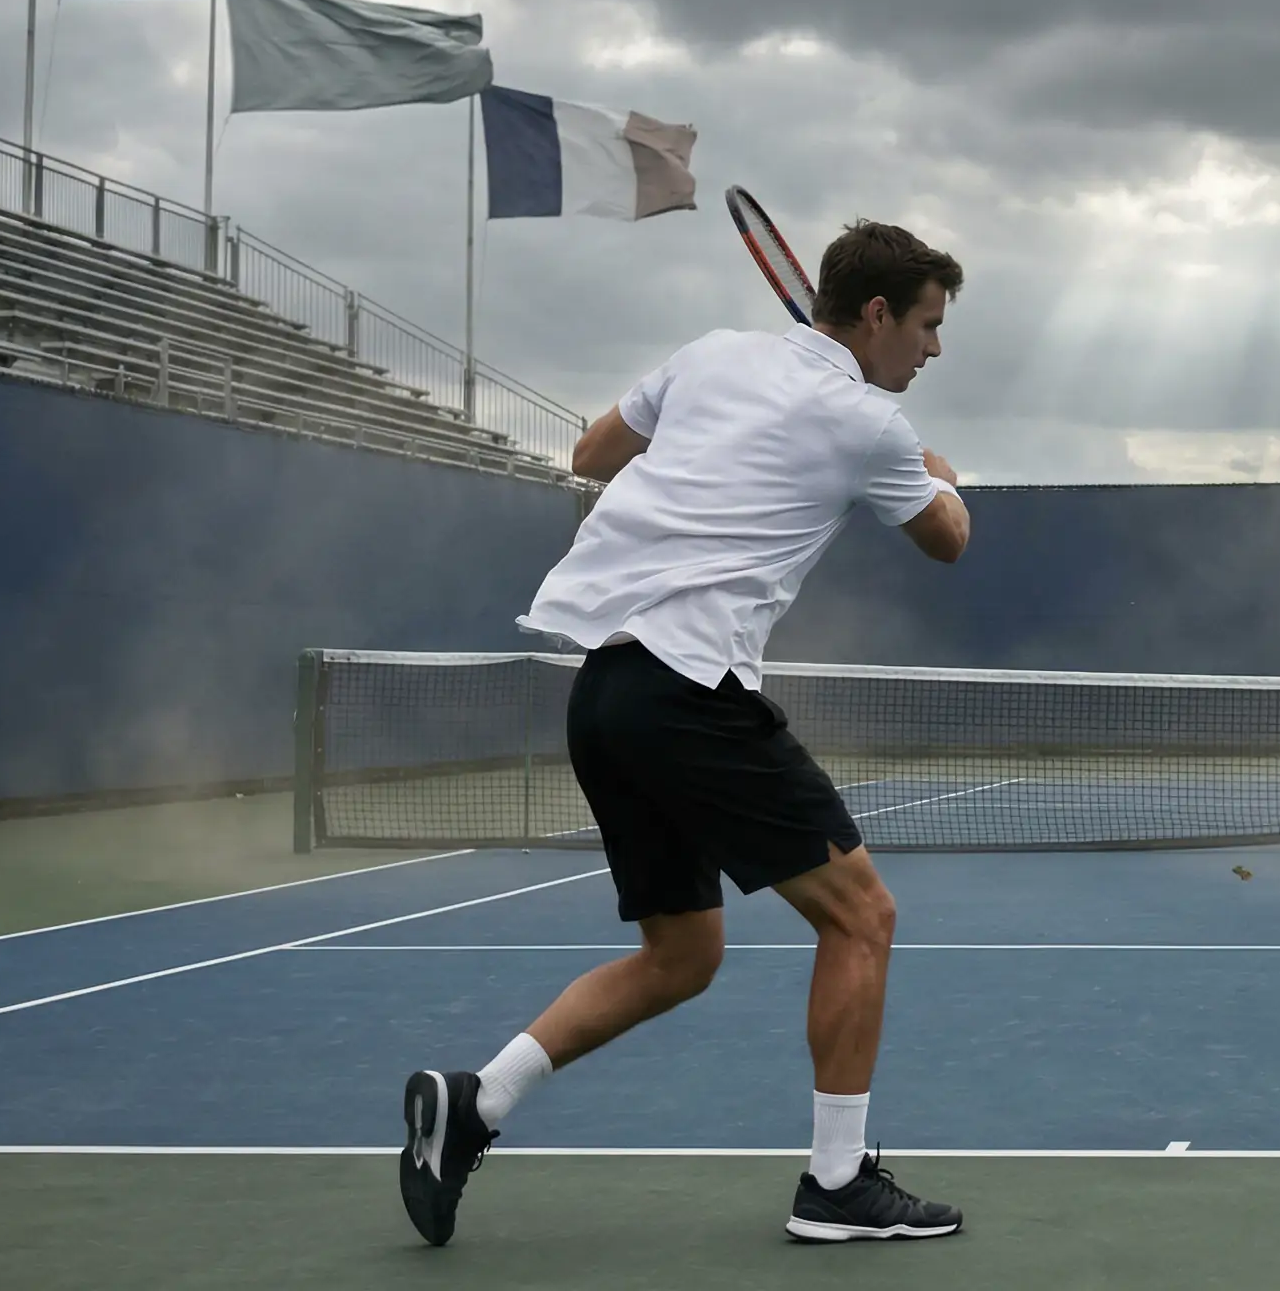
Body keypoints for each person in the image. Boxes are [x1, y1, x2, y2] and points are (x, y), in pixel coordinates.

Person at [397, 218, 973, 1247]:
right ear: (876, 314)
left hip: (604, 694)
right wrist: (936, 469)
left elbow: (589, 453)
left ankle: (474, 1103)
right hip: (689, 692)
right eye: (927, 326)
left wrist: (722, 445)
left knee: (682, 954)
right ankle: (836, 1185)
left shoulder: (710, 354)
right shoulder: (871, 423)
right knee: (862, 918)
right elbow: (947, 540)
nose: (933, 350)